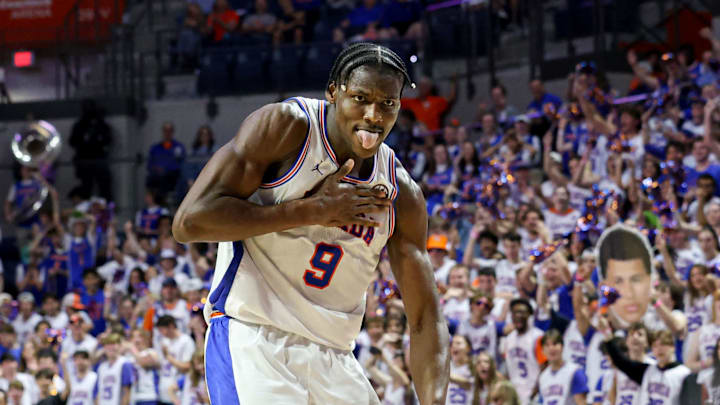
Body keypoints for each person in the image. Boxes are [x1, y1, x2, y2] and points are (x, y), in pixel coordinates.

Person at [173, 42, 449, 404]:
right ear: (333, 91)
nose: (373, 116)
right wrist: (309, 211)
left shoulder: (400, 192)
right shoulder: (286, 128)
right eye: (361, 98)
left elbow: (426, 317)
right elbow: (189, 223)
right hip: (255, 338)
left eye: (388, 104)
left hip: (335, 357)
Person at [604, 330, 691, 405]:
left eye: (663, 344)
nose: (659, 349)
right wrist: (607, 333)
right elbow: (621, 362)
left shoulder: (684, 373)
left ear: (673, 347)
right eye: (655, 346)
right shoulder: (648, 371)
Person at [596, 223, 654, 328]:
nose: (629, 294)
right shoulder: (599, 322)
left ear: (650, 279)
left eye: (636, 279)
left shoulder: (659, 319)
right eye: (618, 281)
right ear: (604, 287)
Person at [500, 298, 545, 404]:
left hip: (534, 395)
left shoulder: (538, 336)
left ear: (529, 315)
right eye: (515, 312)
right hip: (514, 395)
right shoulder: (508, 339)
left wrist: (534, 393)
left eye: (522, 312)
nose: (518, 316)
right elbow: (508, 368)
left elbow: (544, 368)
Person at [68, 99, 113, 201]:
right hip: (84, 160)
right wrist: (84, 140)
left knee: (104, 185)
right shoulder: (79, 126)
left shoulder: (100, 124)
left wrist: (97, 140)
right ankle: (85, 210)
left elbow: (108, 139)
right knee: (86, 187)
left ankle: (106, 210)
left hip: (98, 159)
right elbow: (72, 141)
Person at [538, 329, 589, 405]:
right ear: (542, 351)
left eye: (555, 344)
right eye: (547, 345)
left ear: (562, 346)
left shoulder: (575, 372)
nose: (551, 348)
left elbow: (581, 403)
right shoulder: (543, 377)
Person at [94, 333, 133, 405]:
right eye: (107, 344)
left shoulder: (124, 363)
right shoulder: (101, 367)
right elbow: (97, 393)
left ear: (120, 346)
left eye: (113, 344)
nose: (110, 347)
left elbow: (126, 392)